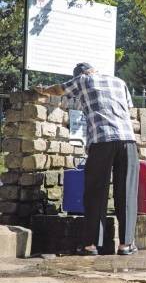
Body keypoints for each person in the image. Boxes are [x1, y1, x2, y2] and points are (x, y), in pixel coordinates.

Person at [35, 62, 139, 256]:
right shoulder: (119, 81)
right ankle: (126, 245)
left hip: (101, 140)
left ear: (80, 74)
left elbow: (59, 89)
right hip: (128, 141)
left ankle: (91, 245)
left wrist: (43, 90)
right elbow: (128, 109)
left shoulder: (82, 80)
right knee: (126, 192)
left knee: (95, 193)